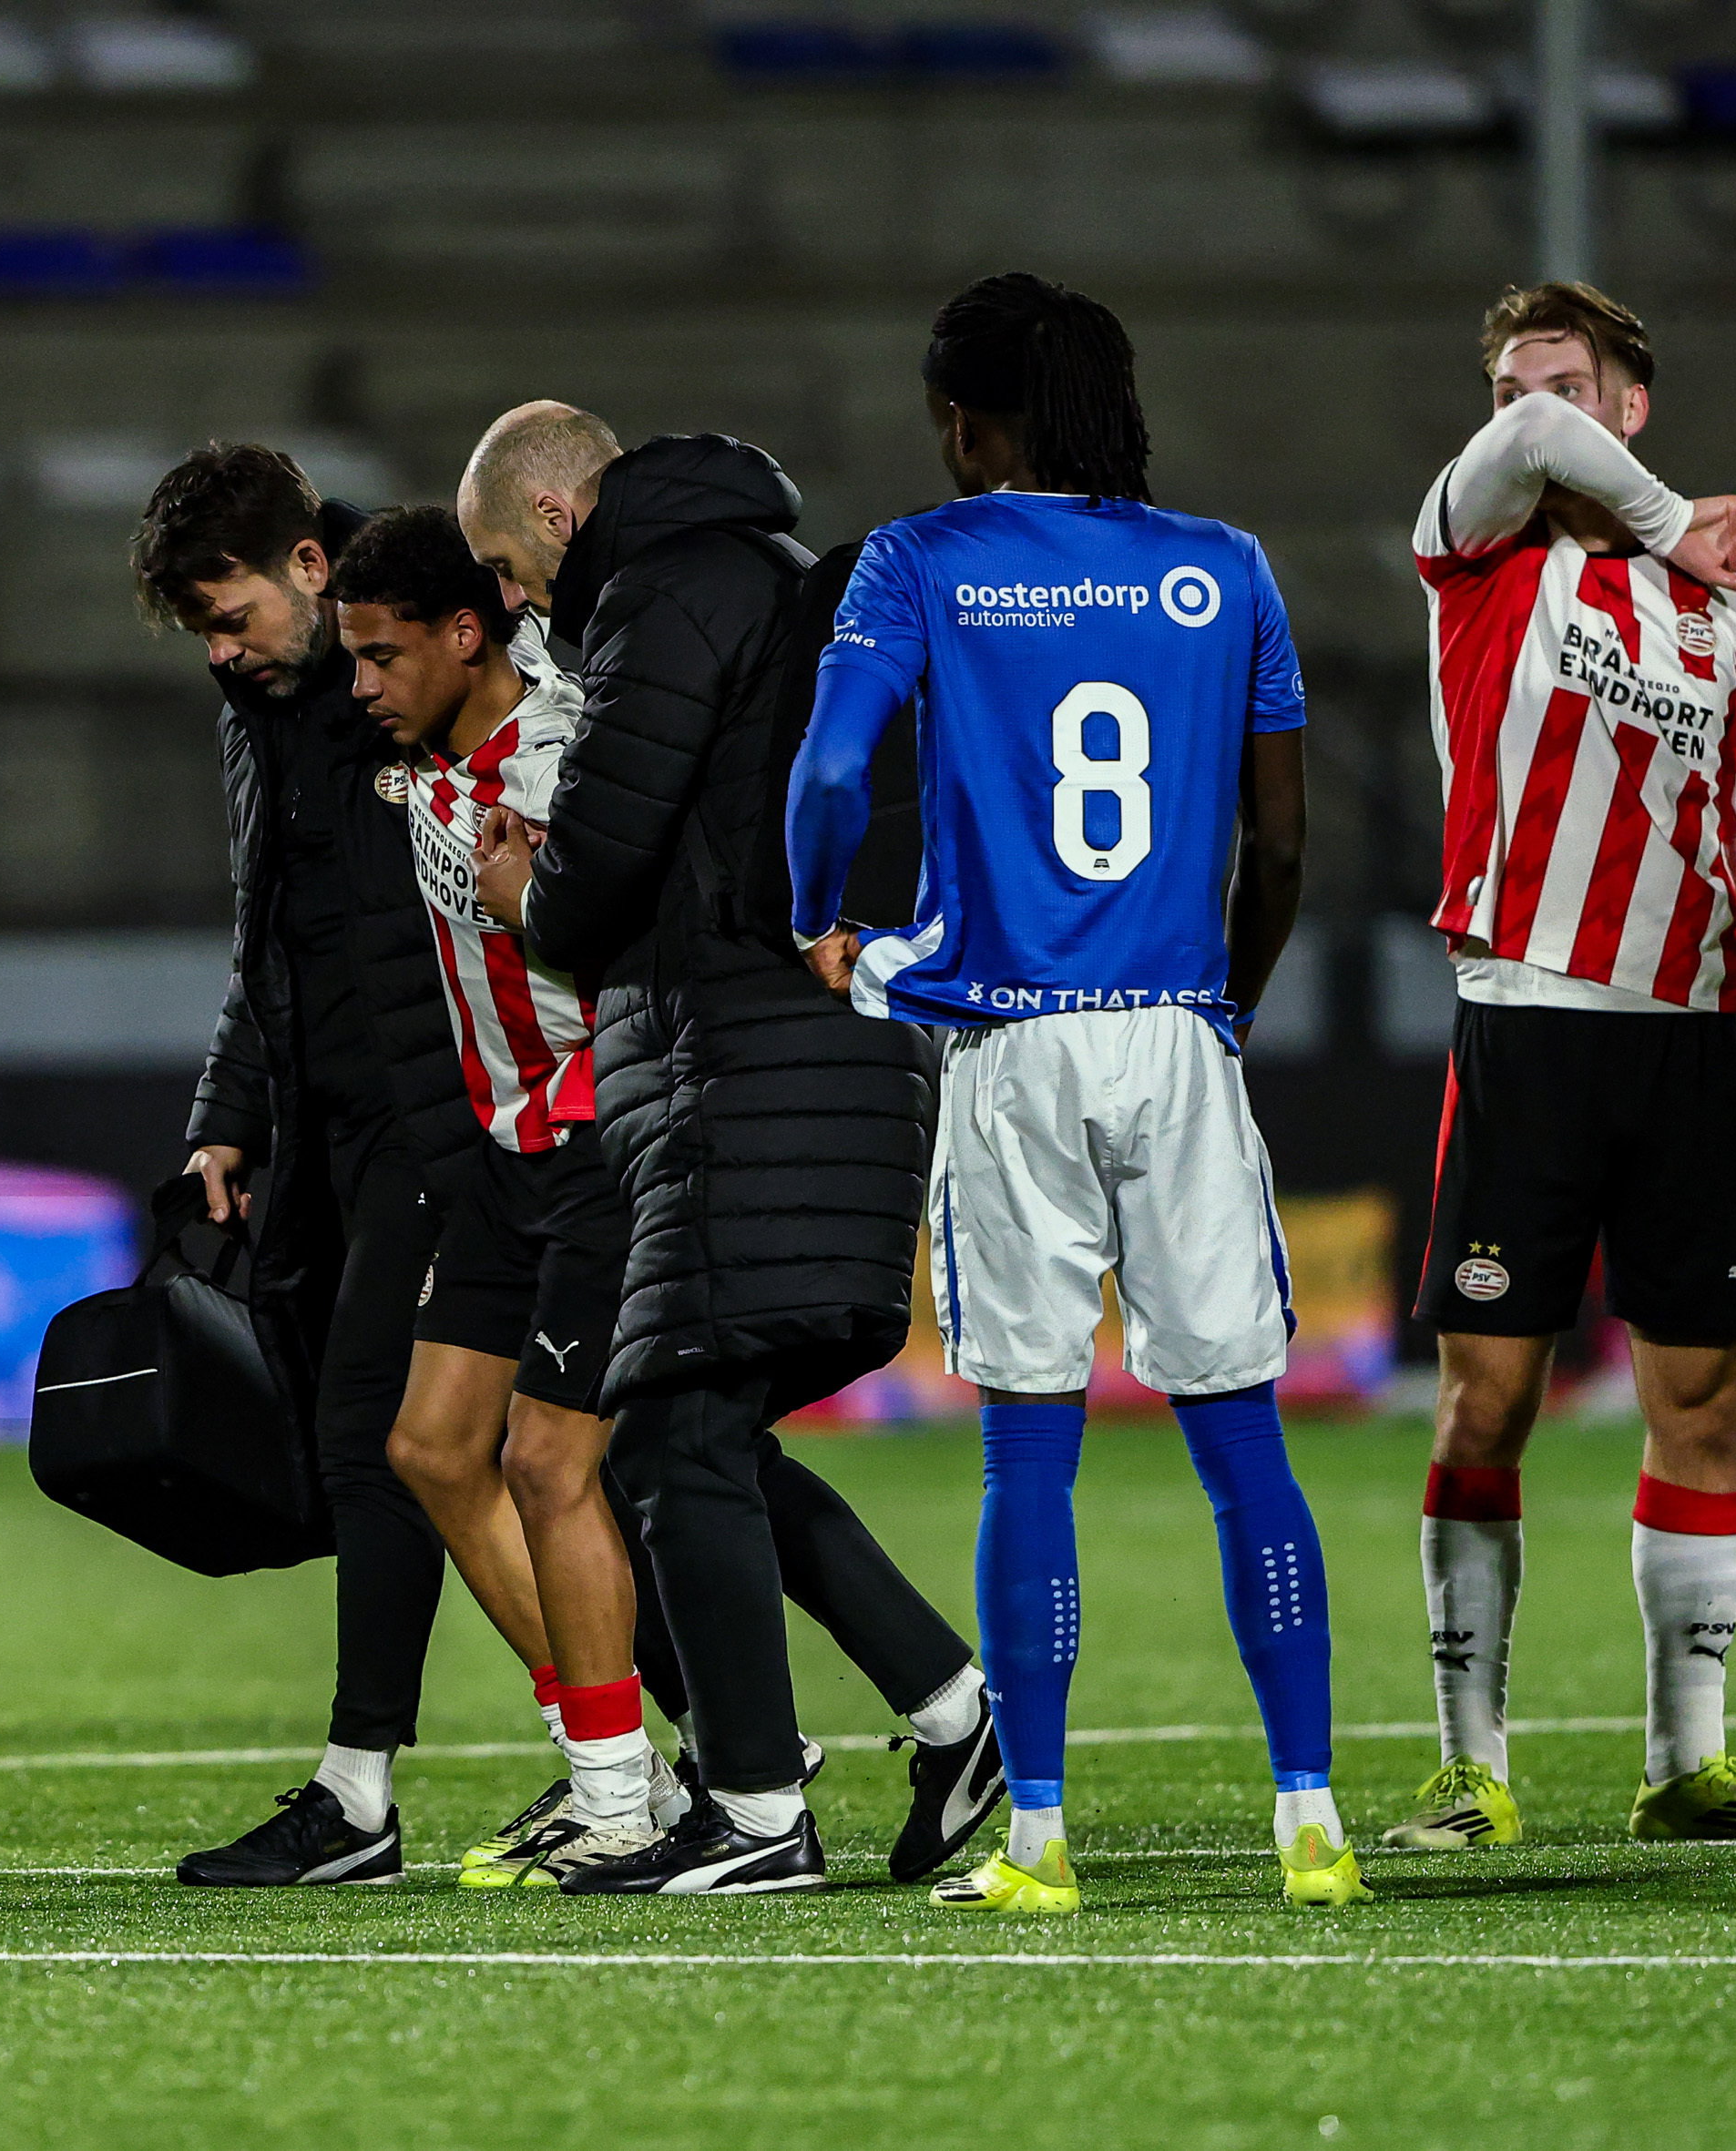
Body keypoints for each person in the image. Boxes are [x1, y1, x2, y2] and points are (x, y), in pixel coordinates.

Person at [786, 272, 1365, 1915]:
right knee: (1243, 1442)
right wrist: (1222, 1005)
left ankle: (1036, 1837)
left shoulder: (919, 560)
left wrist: (821, 919)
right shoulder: (1226, 568)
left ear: (968, 420)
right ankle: (1311, 1819)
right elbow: (1283, 842)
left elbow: (830, 772)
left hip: (1012, 1041)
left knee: (1027, 1454)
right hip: (1178, 1033)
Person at [459, 405, 997, 1898]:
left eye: (504, 562)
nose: (509, 597)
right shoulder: (749, 576)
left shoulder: (668, 594)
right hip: (808, 1059)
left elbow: (598, 871)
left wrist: (523, 890)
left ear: (556, 517)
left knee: (675, 1432)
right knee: (697, 1433)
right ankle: (956, 1716)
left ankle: (758, 1808)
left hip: (749, 1066)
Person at [1390, 281, 1736, 1850]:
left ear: (1634, 404)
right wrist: (1676, 519)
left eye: (1575, 385)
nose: (1541, 410)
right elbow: (1524, 444)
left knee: (1702, 1397)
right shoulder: (1480, 554)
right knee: (1487, 1400)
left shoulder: (1730, 606)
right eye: (1518, 387)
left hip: (1687, 1042)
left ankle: (1686, 1762)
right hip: (1527, 1021)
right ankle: (1470, 1766)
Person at [134, 447, 500, 1887]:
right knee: (525, 1455)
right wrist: (229, 1111)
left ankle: (366, 1796)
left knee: (391, 1437)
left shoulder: (413, 656)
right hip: (335, 1132)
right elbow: (272, 938)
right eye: (201, 631)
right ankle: (750, 1747)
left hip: (449, 1117)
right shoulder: (264, 707)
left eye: (229, 617)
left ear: (307, 565)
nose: (220, 653)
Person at [331, 506, 670, 1887]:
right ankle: (621, 1759)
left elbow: (623, 925)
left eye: (382, 655)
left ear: (464, 634)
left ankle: (623, 1794)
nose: (362, 685)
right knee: (430, 1449)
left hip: (592, 1137)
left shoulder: (561, 755)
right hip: (501, 1153)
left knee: (553, 1463)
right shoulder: (430, 764)